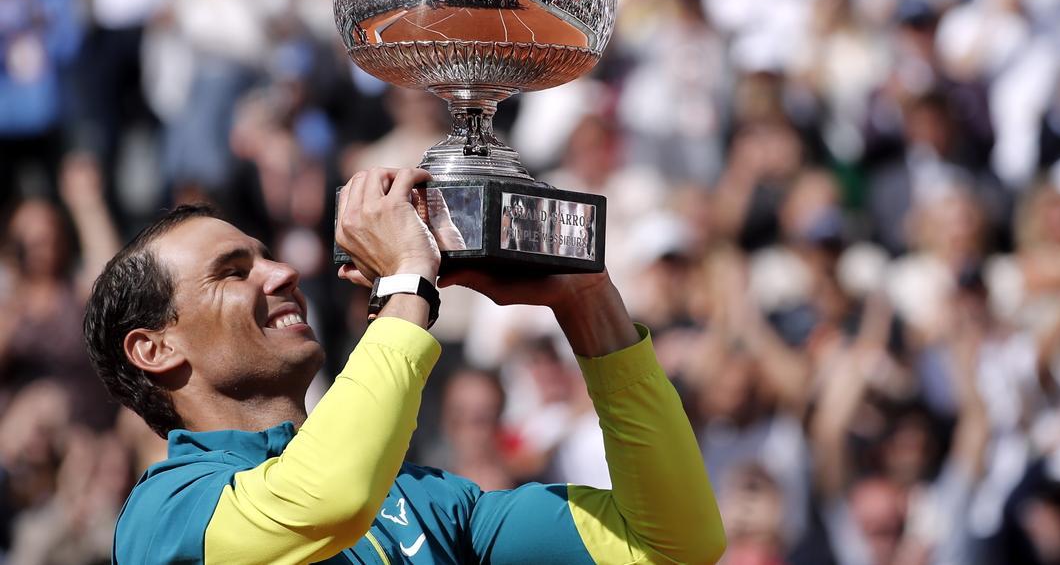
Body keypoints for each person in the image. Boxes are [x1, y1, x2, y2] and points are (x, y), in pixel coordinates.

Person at [83, 167, 726, 564]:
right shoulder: (163, 516)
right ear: (154, 349)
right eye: (232, 273)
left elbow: (670, 546)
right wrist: (407, 285)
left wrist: (586, 302)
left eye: (267, 257)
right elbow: (325, 501)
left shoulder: (427, 499)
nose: (283, 274)